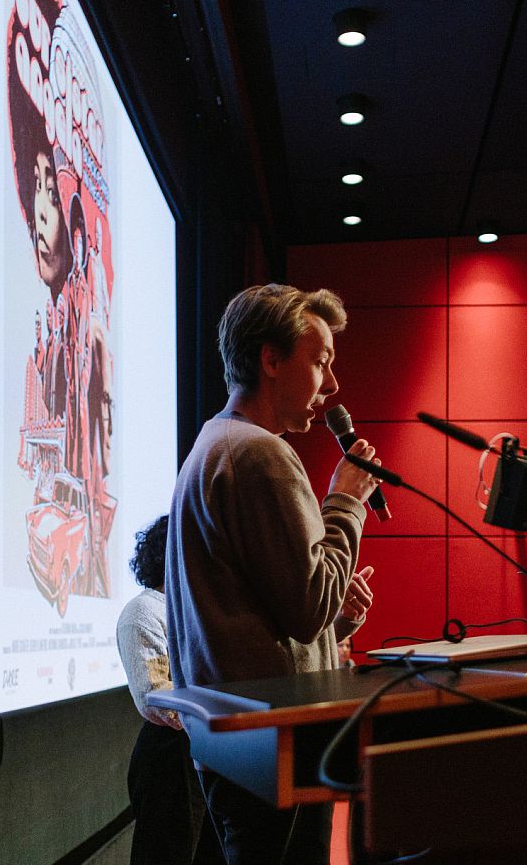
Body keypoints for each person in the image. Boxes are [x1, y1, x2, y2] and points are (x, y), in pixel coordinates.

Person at [165, 283, 379, 865]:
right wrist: (346, 501)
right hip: (273, 738)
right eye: (321, 361)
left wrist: (335, 621)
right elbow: (308, 606)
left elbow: (260, 611)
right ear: (271, 360)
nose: (331, 385)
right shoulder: (258, 453)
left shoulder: (214, 443)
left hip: (240, 741)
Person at [116, 516, 225, 865]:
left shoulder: (193, 609)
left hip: (206, 749)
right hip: (171, 757)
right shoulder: (144, 611)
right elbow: (156, 696)